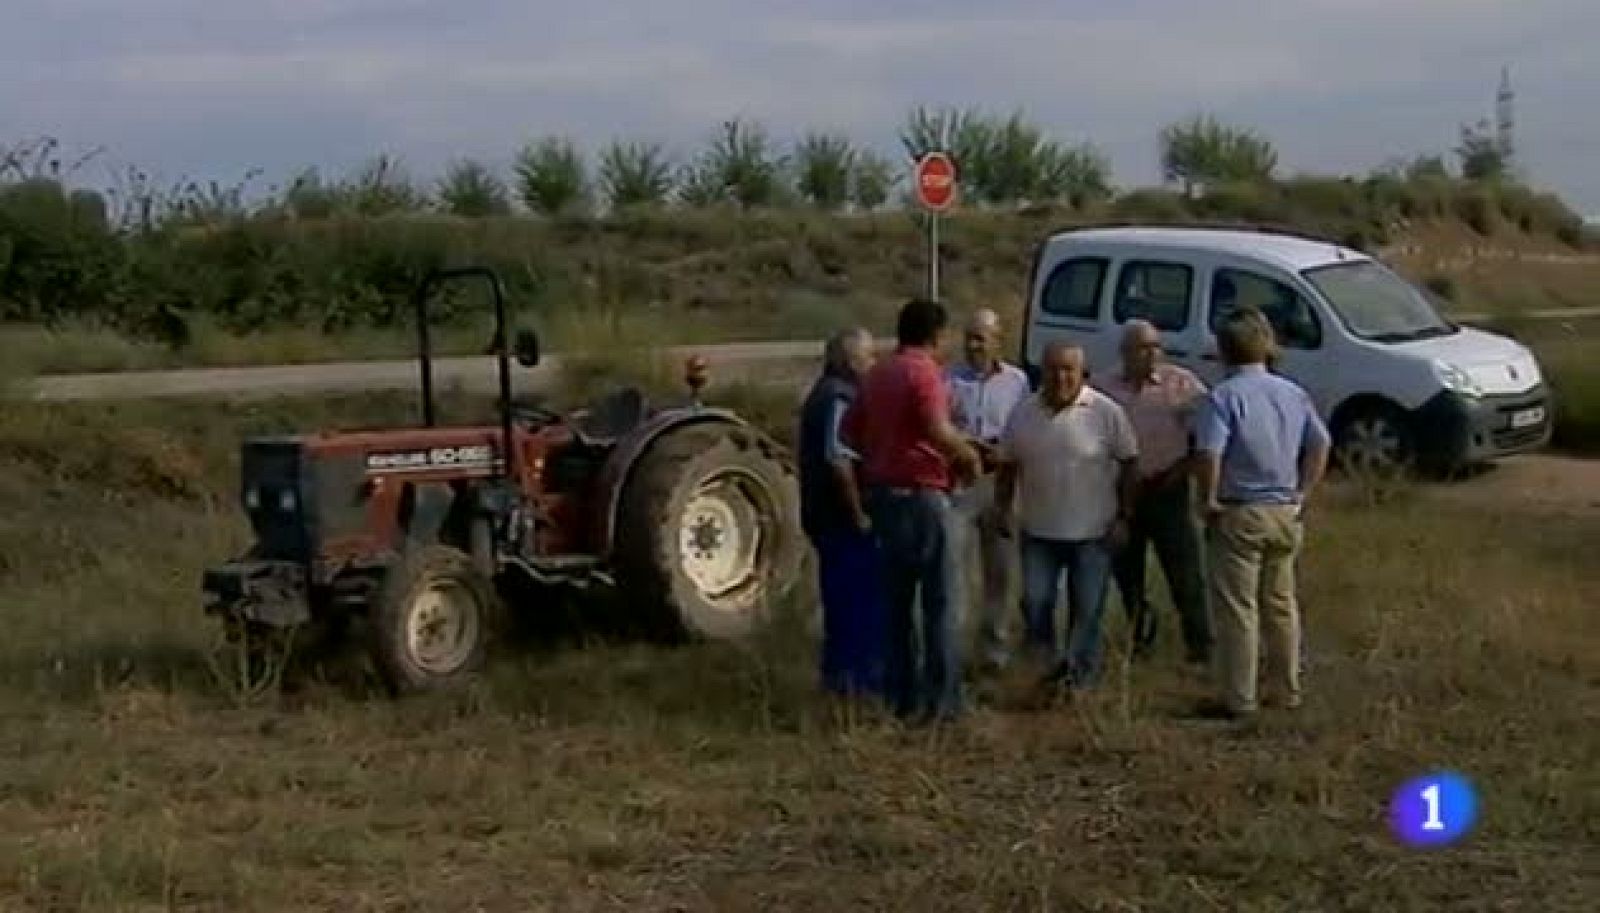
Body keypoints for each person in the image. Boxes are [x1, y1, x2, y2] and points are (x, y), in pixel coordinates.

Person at [841, 298, 983, 723]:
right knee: (941, 604)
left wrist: (885, 454)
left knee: (897, 606)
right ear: (936, 335)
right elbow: (937, 429)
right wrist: (966, 455)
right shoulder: (924, 373)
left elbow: (850, 432)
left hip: (885, 496)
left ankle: (901, 699)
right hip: (924, 495)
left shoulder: (877, 373)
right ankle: (943, 705)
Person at [1192, 308, 1331, 720]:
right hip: (1285, 510)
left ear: (1223, 349)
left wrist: (1208, 499)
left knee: (1239, 609)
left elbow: (1209, 453)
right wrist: (1302, 493)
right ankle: (1286, 690)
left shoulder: (1223, 398)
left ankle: (1241, 696)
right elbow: (1321, 444)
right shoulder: (1292, 393)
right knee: (1282, 605)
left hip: (1242, 510)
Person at [992, 341, 1139, 691]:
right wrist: (1002, 508)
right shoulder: (1023, 413)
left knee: (1087, 611)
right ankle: (1044, 670)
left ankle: (1080, 681)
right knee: (1035, 603)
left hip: (1093, 533)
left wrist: (1125, 516)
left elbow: (1130, 461)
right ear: (1042, 372)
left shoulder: (1106, 412)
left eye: (1068, 370)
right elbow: (1008, 466)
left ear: (1081, 373)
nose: (1060, 377)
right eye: (1053, 370)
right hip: (1039, 531)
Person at [1099, 319, 1213, 666]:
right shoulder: (1103, 389)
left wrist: (1185, 470)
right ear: (1125, 353)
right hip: (1123, 491)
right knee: (1127, 573)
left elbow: (1207, 436)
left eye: (1156, 347)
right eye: (1142, 348)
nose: (1151, 355)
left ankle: (1201, 645)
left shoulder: (1183, 386)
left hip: (1168, 488)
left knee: (1185, 572)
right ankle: (1139, 638)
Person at [798, 326, 886, 699]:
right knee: (855, 599)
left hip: (823, 514)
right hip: (839, 517)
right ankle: (853, 682)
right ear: (851, 361)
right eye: (869, 356)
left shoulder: (822, 394)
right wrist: (859, 514)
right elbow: (839, 461)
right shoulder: (839, 398)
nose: (874, 363)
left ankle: (841, 678)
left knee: (841, 598)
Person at [945, 308, 1031, 671]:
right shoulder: (948, 380)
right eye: (969, 337)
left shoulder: (1018, 382)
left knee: (1001, 570)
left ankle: (995, 650)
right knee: (955, 569)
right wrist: (965, 445)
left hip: (1002, 483)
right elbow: (941, 427)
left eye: (981, 338)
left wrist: (1005, 453)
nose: (974, 345)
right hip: (962, 481)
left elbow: (1024, 427)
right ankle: (954, 649)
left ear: (998, 341)